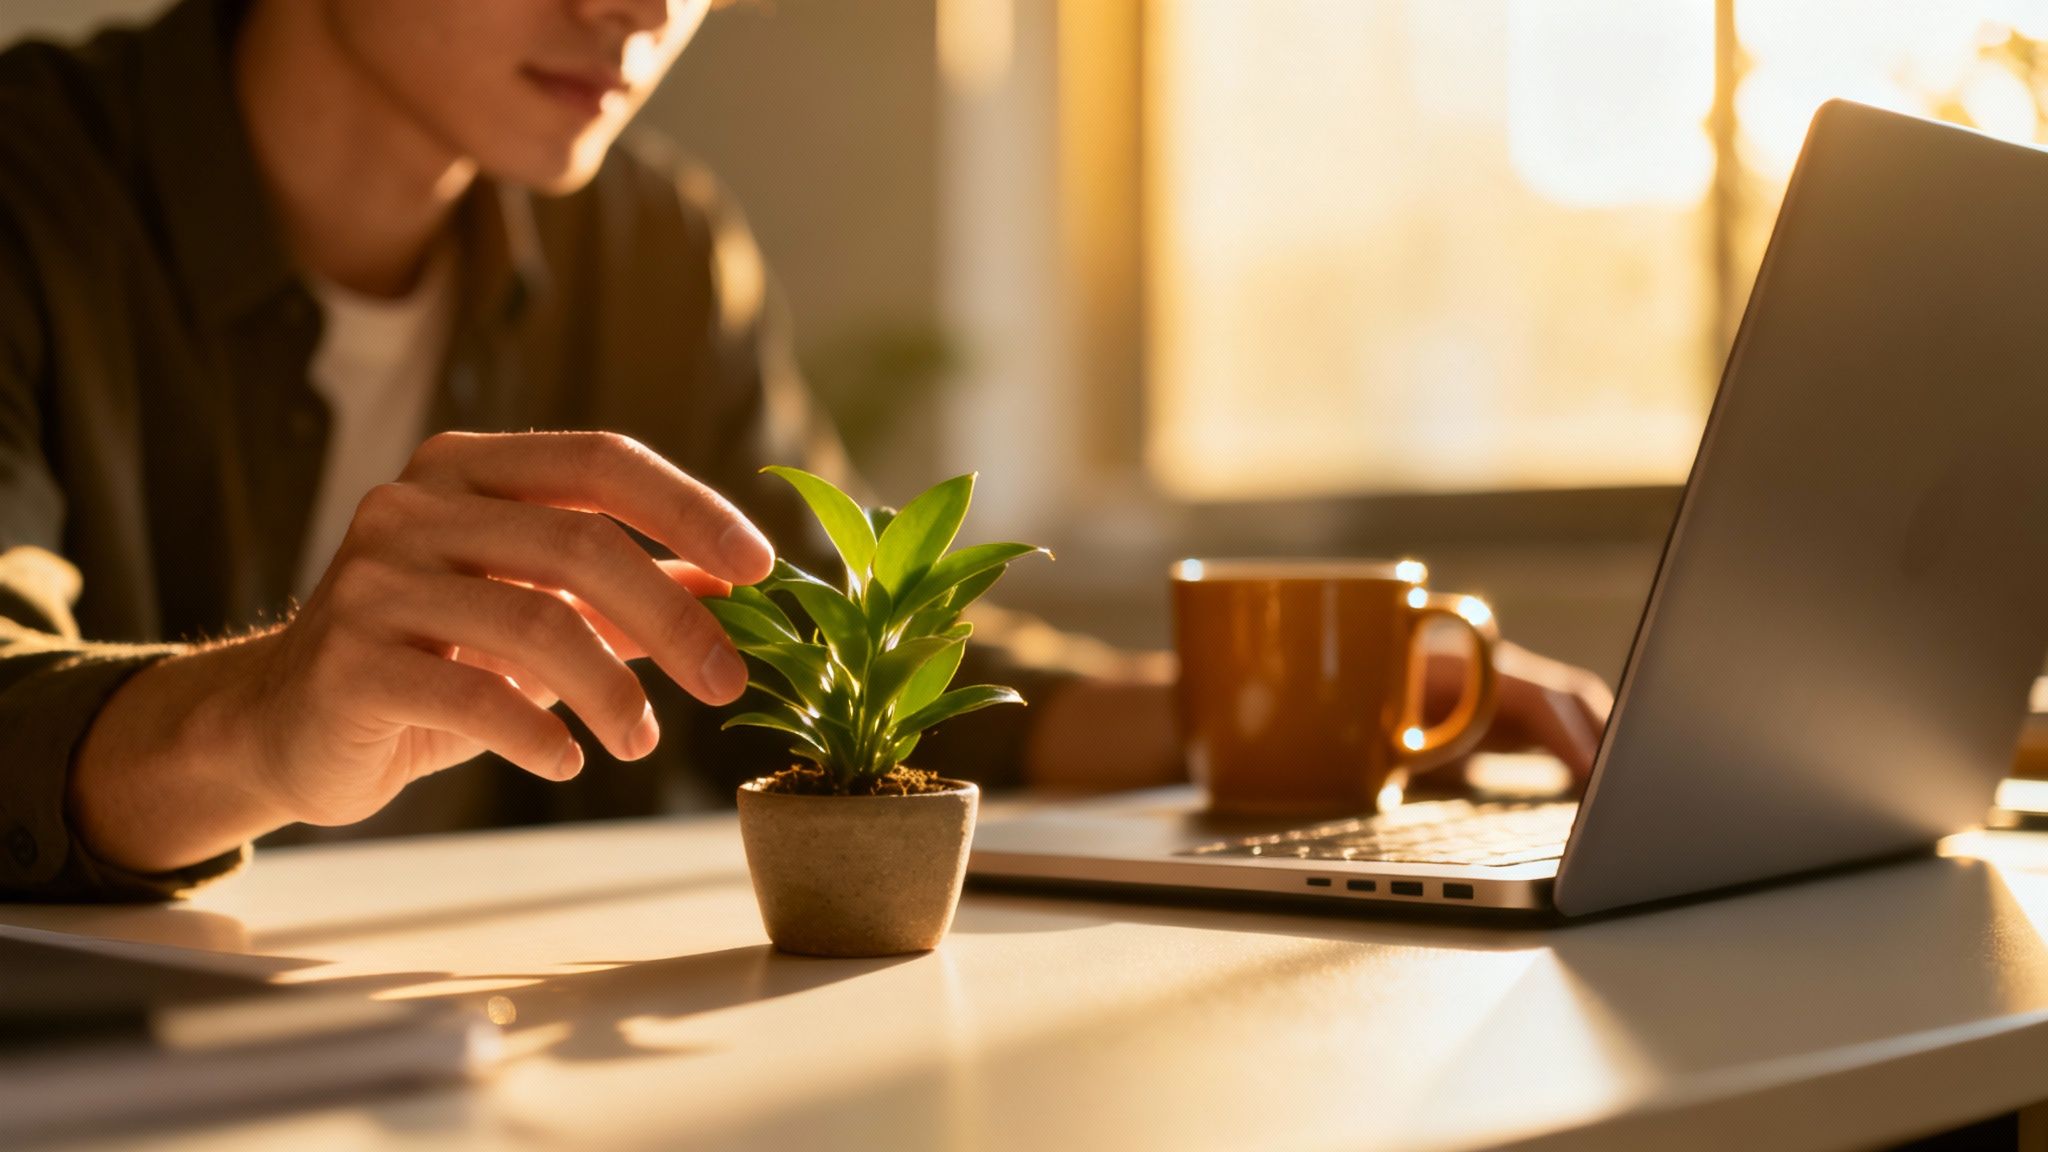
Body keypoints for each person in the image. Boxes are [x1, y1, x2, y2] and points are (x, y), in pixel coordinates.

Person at [0, 0, 1612, 902]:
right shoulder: (33, 187)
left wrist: (1303, 707)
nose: (639, 10)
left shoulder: (655, 250)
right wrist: (268, 718)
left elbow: (839, 674)